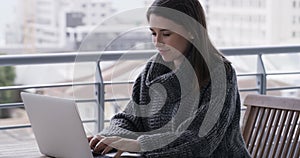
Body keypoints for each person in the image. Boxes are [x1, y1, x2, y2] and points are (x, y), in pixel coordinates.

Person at [89, 0, 251, 157]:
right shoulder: (152, 72)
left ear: (191, 31)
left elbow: (200, 140)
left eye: (166, 34)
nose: (157, 42)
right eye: (153, 33)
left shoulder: (220, 73)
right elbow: (131, 118)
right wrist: (107, 138)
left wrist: (139, 145)